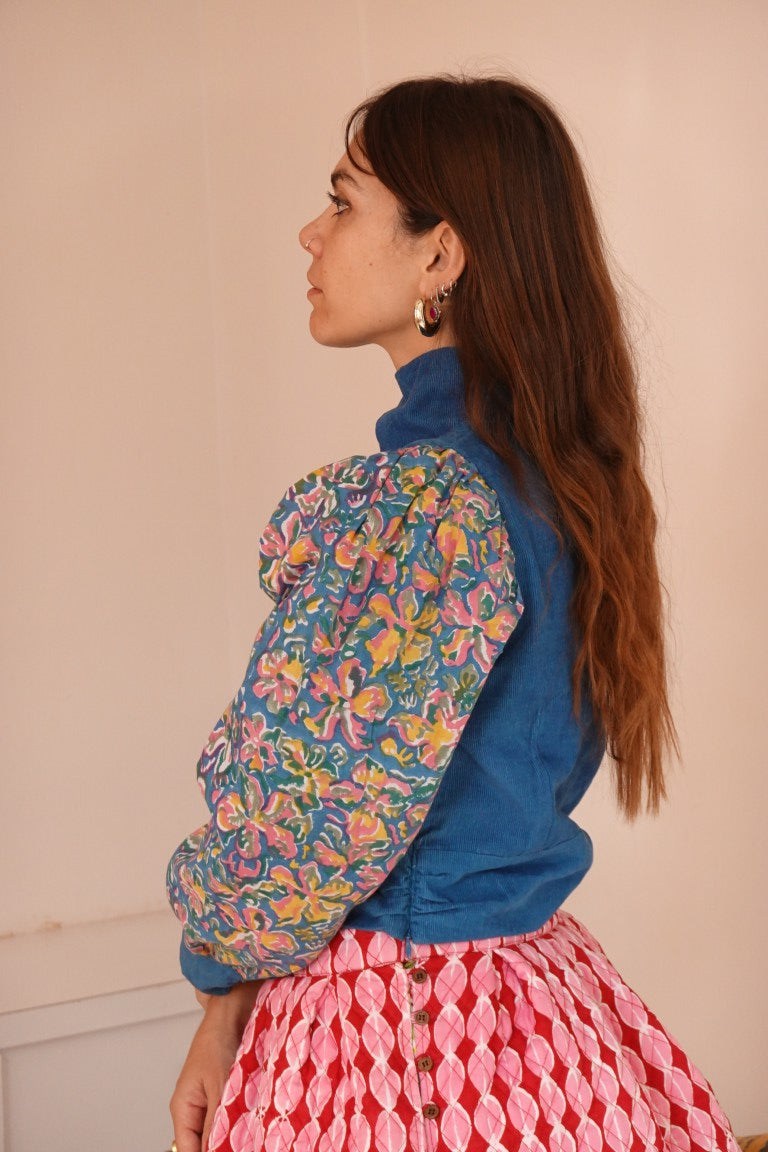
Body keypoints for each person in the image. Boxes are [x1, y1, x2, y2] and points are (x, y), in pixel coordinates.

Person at [167, 76, 738, 1152]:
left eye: (344, 203)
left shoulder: (425, 506)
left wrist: (218, 979)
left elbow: (302, 818)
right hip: (533, 1013)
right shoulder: (559, 482)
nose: (311, 233)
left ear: (440, 256)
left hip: (401, 1036)